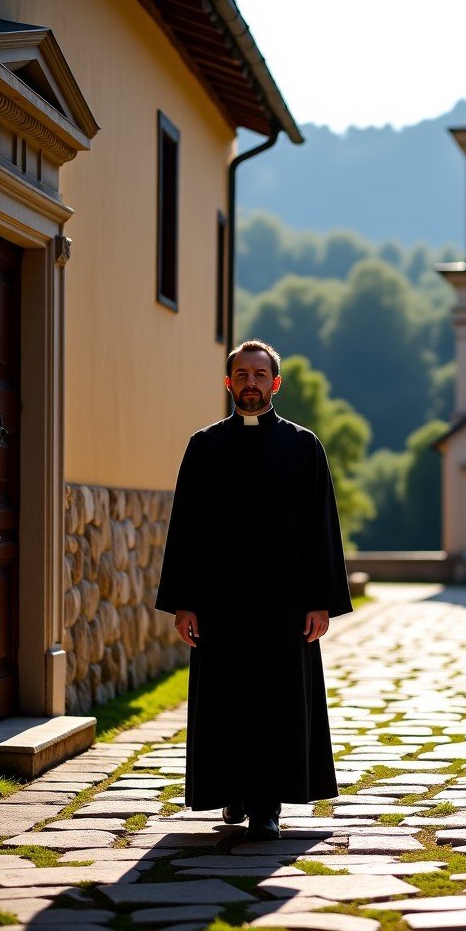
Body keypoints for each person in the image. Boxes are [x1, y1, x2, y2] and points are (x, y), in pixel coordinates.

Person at [154, 339, 353, 841]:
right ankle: (232, 794)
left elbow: (322, 528)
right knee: (226, 703)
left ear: (275, 384)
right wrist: (184, 603)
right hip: (221, 607)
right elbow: (185, 530)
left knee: (277, 705)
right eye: (241, 374)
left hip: (283, 608)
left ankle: (268, 805)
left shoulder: (304, 447)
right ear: (229, 383)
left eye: (260, 375)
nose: (250, 383)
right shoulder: (203, 448)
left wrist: (320, 601)